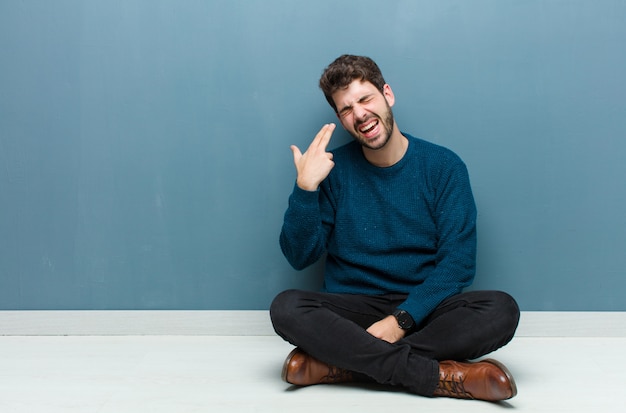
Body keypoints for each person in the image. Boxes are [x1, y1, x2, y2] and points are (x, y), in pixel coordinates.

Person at [270, 54, 520, 402]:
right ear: (341, 120)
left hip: (424, 310)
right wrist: (305, 189)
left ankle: (341, 364)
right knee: (286, 307)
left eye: (365, 99)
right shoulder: (333, 170)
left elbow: (458, 264)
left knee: (501, 310)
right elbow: (299, 256)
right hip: (354, 310)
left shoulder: (443, 167)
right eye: (345, 109)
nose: (358, 114)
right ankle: (439, 376)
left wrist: (400, 320)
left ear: (387, 94)